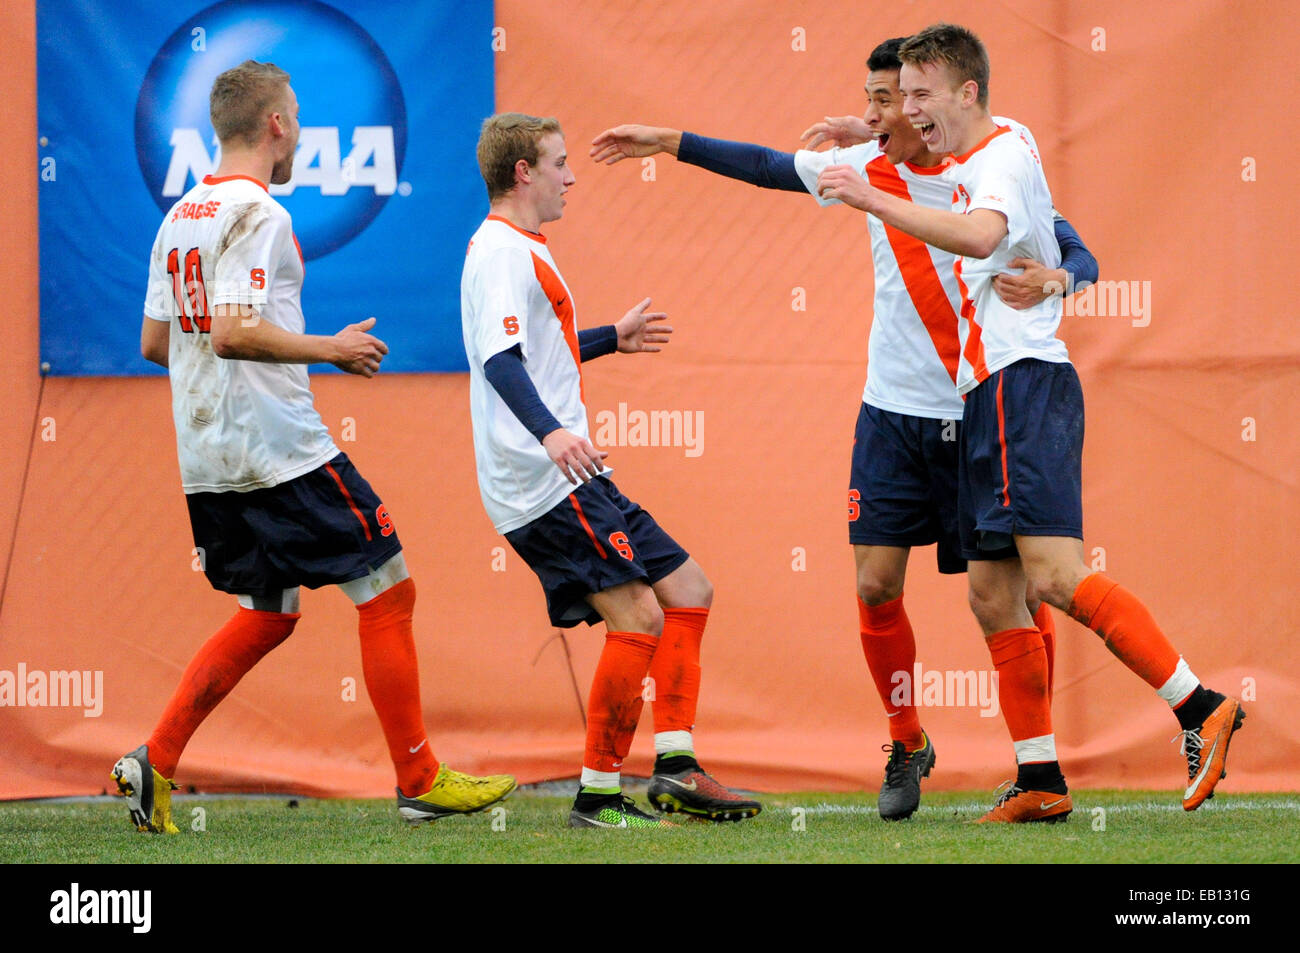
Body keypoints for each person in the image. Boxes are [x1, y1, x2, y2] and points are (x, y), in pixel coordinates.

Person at [589, 37, 1098, 821]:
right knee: (873, 583)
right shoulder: (863, 170)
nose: (876, 113)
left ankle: (1040, 765)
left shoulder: (995, 158)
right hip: (893, 414)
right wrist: (667, 141)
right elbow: (761, 164)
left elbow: (1072, 241)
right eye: (875, 99)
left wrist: (1067, 275)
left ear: (930, 106)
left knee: (1017, 594)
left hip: (982, 405)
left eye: (892, 99)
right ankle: (905, 737)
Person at [814, 23, 1244, 821]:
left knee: (1052, 575)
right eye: (894, 97)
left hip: (1020, 384)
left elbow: (983, 233)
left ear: (966, 91)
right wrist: (1062, 274)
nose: (906, 110)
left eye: (917, 96)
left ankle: (1200, 705)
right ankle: (1041, 779)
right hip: (986, 392)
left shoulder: (998, 159)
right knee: (991, 591)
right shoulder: (991, 147)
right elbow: (1067, 245)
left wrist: (872, 194)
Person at [115, 60, 515, 834]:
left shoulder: (180, 216)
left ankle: (153, 760)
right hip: (280, 451)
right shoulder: (257, 214)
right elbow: (231, 332)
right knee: (388, 585)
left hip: (208, 459)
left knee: (268, 610)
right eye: (295, 115)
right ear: (274, 126)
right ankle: (420, 776)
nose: (298, 128)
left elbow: (157, 344)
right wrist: (326, 349)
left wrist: (249, 369)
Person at [461, 112, 761, 828]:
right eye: (560, 163)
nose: (572, 178)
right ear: (523, 173)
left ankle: (677, 765)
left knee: (689, 588)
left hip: (574, 473)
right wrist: (553, 432)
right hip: (543, 480)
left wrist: (610, 339)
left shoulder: (523, 246)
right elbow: (499, 362)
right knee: (638, 616)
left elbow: (540, 349)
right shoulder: (500, 252)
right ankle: (597, 796)